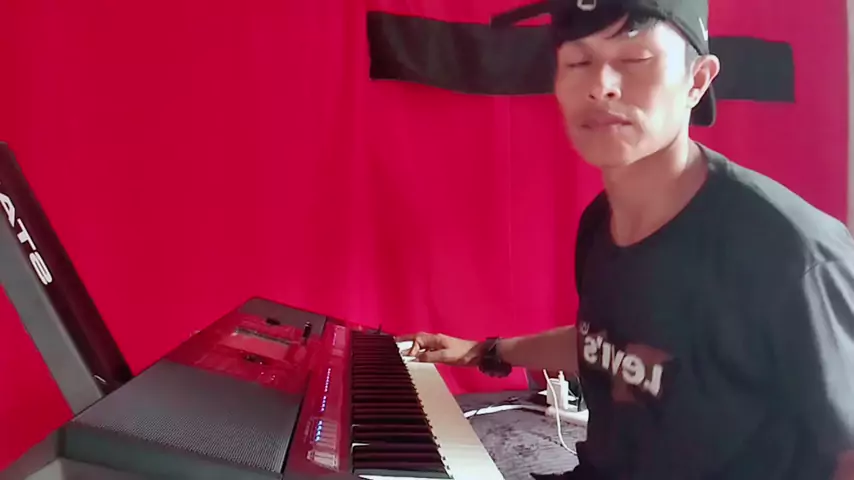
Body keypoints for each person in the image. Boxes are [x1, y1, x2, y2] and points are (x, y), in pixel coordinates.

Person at [397, 0, 854, 478]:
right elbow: (612, 343)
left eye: (635, 60)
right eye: (578, 62)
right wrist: (485, 351)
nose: (601, 86)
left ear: (697, 80)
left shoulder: (792, 255)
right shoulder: (600, 222)